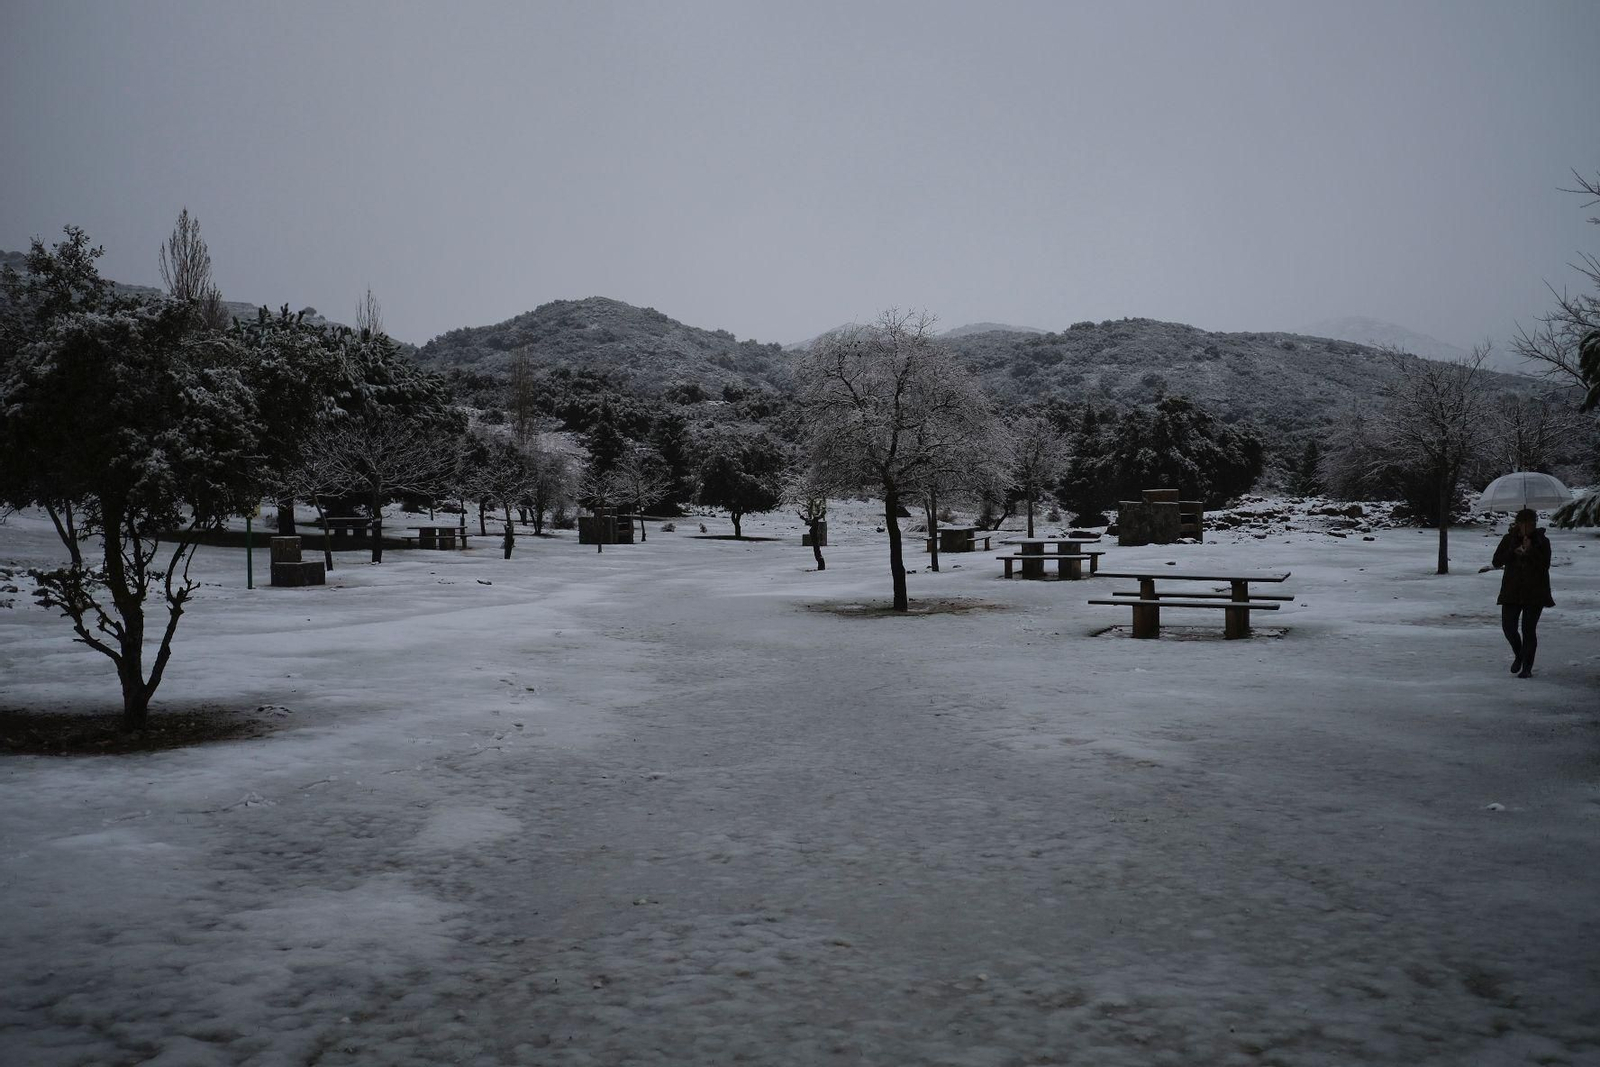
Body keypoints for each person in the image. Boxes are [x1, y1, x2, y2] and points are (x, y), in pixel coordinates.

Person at [1490, 508, 1554, 678]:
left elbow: (1545, 565)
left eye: (1532, 524)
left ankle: (1527, 667)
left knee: (1528, 629)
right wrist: (1513, 551)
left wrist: (1531, 551)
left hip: (1535, 592)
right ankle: (1519, 654)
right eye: (1525, 524)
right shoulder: (1508, 539)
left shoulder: (1542, 541)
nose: (1528, 527)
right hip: (1512, 591)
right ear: (1518, 524)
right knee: (1509, 628)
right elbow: (1496, 561)